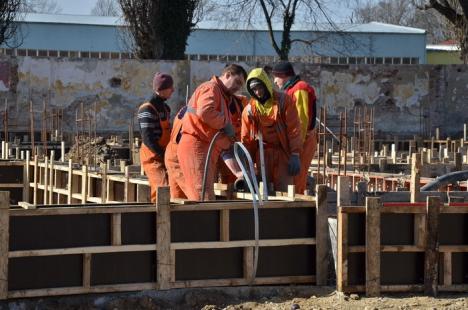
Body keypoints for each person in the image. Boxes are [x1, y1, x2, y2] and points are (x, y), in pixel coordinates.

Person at [177, 64, 247, 200]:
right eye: (237, 82)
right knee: (203, 197)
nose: (238, 87)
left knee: (204, 196)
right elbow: (205, 111)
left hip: (204, 147)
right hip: (197, 146)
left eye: (241, 85)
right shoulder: (211, 88)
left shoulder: (221, 95)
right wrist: (225, 123)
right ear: (227, 75)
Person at [241, 67, 302, 192]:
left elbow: (294, 129)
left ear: (266, 84)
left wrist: (295, 154)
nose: (258, 92)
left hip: (283, 153)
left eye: (260, 87)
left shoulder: (284, 101)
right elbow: (246, 138)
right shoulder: (249, 110)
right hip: (262, 155)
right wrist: (247, 163)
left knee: (285, 192)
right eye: (254, 89)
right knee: (263, 192)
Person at [272, 62, 318, 194]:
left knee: (296, 178)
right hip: (296, 141)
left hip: (302, 141)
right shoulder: (291, 90)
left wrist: (296, 150)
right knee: (291, 177)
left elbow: (301, 121)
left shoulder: (300, 88)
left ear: (283, 75)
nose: (275, 81)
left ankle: (296, 206)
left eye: (276, 77)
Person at [138, 72, 174, 202]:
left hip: (164, 155)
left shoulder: (166, 108)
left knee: (176, 186)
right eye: (170, 87)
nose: (173, 90)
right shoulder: (147, 109)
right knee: (162, 188)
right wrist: (162, 154)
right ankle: (156, 214)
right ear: (162, 89)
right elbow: (148, 139)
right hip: (152, 156)